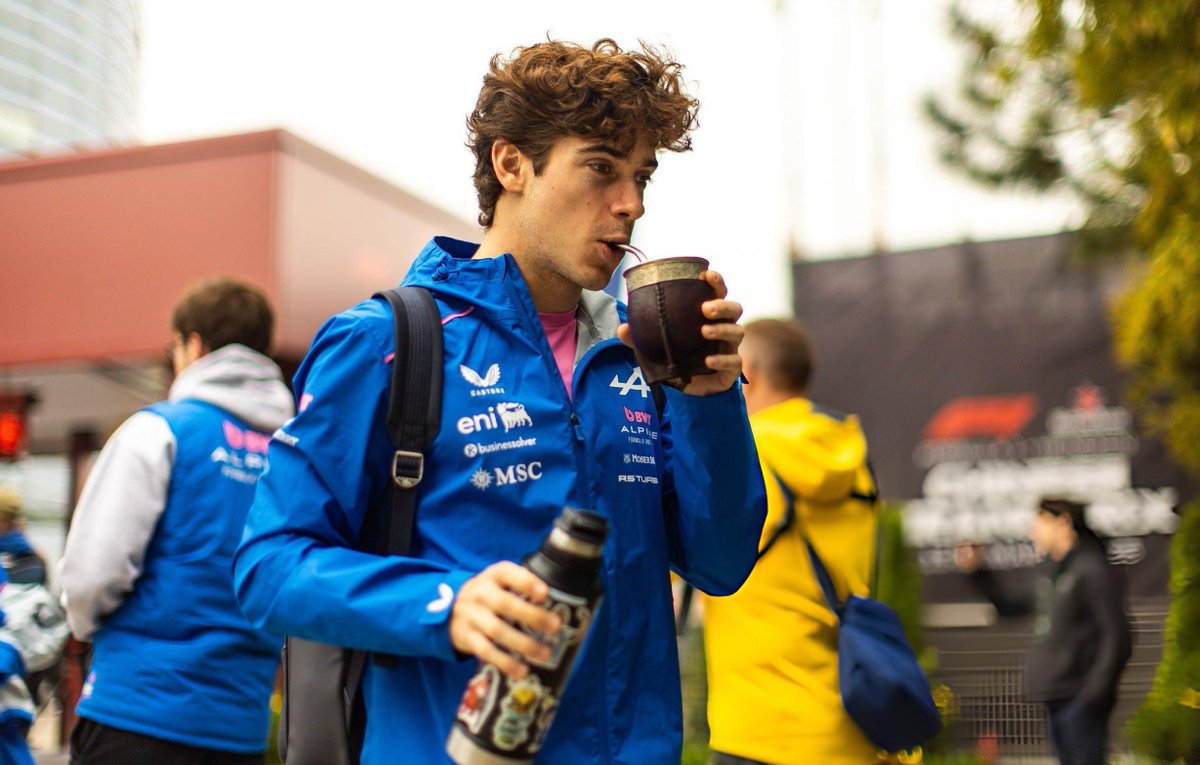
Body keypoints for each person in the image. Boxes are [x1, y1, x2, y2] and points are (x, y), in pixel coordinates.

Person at [233, 38, 767, 765]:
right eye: (602, 168)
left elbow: (722, 561)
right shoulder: (387, 339)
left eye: (642, 175)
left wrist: (710, 401)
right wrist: (445, 604)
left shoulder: (636, 360)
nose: (631, 204)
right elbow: (268, 566)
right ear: (511, 164)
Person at [59, 278, 294, 764]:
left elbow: (91, 575)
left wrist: (84, 625)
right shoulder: (293, 453)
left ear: (193, 346)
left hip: (136, 713)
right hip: (240, 727)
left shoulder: (159, 429)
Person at [701, 318, 881, 765]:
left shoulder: (749, 452)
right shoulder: (851, 452)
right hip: (850, 726)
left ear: (749, 374)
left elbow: (693, 557)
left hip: (760, 730)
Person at [955, 498, 1132, 765]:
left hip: (1080, 699)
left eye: (1039, 523)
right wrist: (978, 571)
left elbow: (1117, 635)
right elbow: (1010, 605)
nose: (1033, 532)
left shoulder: (1091, 569)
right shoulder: (1051, 575)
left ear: (1063, 522)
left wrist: (1095, 692)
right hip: (1056, 696)